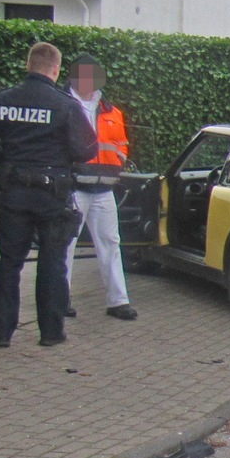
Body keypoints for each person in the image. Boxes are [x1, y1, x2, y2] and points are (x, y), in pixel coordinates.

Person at [0, 43, 97, 347]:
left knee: (10, 262)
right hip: (53, 195)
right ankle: (51, 333)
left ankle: (0, 333)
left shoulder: (2, 101)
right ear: (56, 69)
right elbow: (86, 149)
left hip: (14, 193)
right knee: (52, 262)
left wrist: (5, 156)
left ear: (28, 65)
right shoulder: (65, 105)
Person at [63, 54, 137, 321]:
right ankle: (61, 299)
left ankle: (118, 301)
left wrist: (119, 161)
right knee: (65, 245)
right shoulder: (64, 105)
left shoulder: (112, 111)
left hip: (104, 188)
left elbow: (121, 145)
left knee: (111, 243)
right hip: (74, 187)